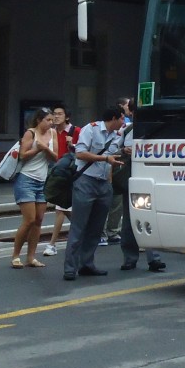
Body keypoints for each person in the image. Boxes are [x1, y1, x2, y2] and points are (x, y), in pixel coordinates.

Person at [63, 106, 126, 281]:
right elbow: (80, 153)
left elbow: (113, 157)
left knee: (96, 228)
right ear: (114, 118)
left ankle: (87, 264)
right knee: (79, 227)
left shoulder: (117, 136)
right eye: (122, 118)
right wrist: (105, 158)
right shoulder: (90, 129)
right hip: (86, 182)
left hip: (104, 184)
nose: (124, 122)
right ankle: (70, 268)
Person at [116, 110, 166, 274]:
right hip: (131, 178)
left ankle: (154, 259)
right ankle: (130, 258)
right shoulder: (127, 130)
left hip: (149, 179)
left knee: (149, 217)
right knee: (129, 220)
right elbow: (115, 148)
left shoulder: (155, 130)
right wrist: (124, 151)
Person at [9, 107, 57, 268]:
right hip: (26, 179)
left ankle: (31, 257)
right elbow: (23, 154)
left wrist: (46, 149)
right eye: (47, 120)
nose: (51, 123)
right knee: (29, 219)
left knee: (38, 220)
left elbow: (55, 157)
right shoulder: (31, 133)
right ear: (39, 120)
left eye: (52, 120)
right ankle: (16, 255)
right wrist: (38, 148)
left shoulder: (53, 134)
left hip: (43, 180)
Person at [43, 105, 79, 256]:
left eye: (59, 114)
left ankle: (52, 244)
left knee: (60, 208)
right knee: (66, 210)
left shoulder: (75, 131)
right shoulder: (50, 133)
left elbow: (84, 151)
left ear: (67, 117)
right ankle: (87, 232)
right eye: (54, 114)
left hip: (70, 174)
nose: (56, 117)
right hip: (56, 173)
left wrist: (74, 145)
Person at [102, 97, 132, 246]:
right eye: (122, 117)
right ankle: (100, 234)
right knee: (103, 204)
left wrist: (122, 151)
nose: (124, 119)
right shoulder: (94, 130)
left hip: (118, 172)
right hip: (101, 174)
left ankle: (112, 232)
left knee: (117, 204)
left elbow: (116, 150)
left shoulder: (121, 131)